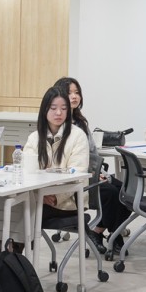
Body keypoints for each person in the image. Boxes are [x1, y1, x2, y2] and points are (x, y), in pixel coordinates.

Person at [52, 76, 127, 254]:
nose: (74, 96)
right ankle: (114, 235)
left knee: (126, 191)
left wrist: (98, 172)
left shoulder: (80, 122)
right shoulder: (58, 124)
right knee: (111, 193)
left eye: (77, 92)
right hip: (76, 179)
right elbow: (66, 160)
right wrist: (92, 174)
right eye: (69, 93)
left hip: (92, 173)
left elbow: (92, 153)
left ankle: (99, 231)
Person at [23, 86, 91, 224]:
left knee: (23, 216)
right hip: (39, 199)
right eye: (53, 108)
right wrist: (38, 195)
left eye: (64, 108)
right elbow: (26, 171)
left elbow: (77, 175)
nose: (59, 113)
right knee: (12, 210)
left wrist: (55, 197)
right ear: (44, 110)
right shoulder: (34, 137)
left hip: (68, 202)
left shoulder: (78, 136)